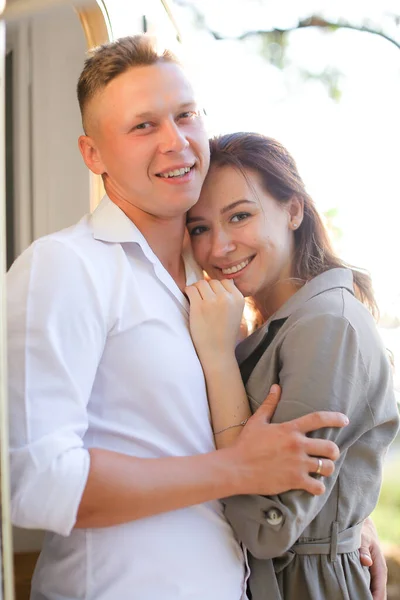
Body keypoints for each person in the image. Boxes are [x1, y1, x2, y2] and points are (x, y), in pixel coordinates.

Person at [6, 35, 383, 600]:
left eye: (185, 116)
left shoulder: (213, 279)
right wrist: (237, 469)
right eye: (143, 126)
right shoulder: (64, 267)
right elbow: (36, 483)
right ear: (93, 155)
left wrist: (341, 513)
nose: (175, 141)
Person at [185, 132, 400, 599]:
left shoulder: (326, 325)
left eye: (239, 216)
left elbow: (270, 526)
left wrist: (219, 360)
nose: (218, 247)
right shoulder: (281, 323)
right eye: (199, 228)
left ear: (294, 211)